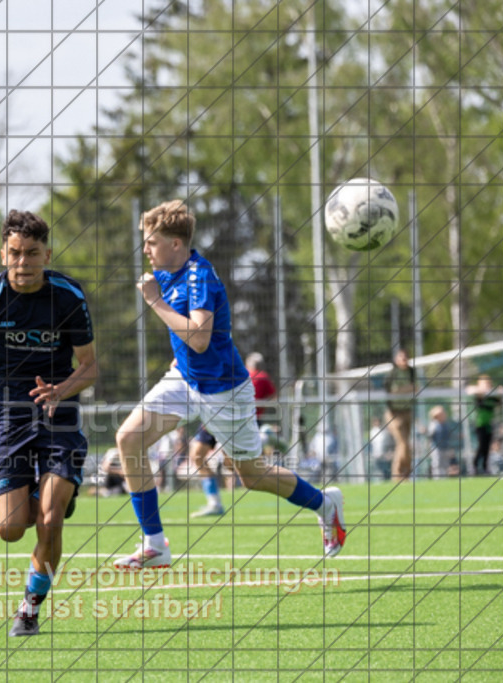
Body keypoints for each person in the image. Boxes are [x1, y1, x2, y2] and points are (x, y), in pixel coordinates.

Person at [113, 200, 345, 569]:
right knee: (128, 439)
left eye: (151, 242)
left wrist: (154, 301)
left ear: (176, 244)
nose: (145, 250)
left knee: (251, 476)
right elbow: (190, 337)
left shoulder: (198, 275)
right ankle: (155, 545)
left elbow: (199, 338)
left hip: (223, 390)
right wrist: (179, 355)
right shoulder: (168, 272)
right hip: (186, 380)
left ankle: (325, 503)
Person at [0, 209, 98, 637]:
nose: (22, 262)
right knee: (11, 528)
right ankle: (45, 491)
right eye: (15, 253)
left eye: (31, 253)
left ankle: (30, 609)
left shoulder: (68, 296)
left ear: (47, 254)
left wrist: (61, 390)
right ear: (3, 254)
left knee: (50, 520)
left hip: (59, 417)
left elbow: (90, 367)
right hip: (11, 421)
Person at [384, 348, 417, 481]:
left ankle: (405, 474)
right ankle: (397, 475)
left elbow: (416, 387)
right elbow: (393, 391)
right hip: (394, 414)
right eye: (401, 357)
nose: (404, 360)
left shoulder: (411, 372)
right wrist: (408, 389)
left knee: (405, 444)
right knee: (402, 443)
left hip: (407, 411)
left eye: (405, 357)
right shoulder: (393, 374)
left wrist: (408, 389)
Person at [187, 428, 227, 518]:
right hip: (209, 422)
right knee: (197, 456)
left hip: (221, 421)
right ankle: (214, 503)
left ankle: (215, 504)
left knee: (233, 464)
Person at [466, 375, 501, 476]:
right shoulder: (479, 396)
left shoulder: (492, 397)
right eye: (485, 383)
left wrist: (498, 391)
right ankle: (474, 465)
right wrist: (481, 389)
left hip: (489, 424)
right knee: (481, 446)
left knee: (487, 447)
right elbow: (469, 389)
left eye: (488, 383)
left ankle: (485, 467)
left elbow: (499, 400)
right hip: (479, 424)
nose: (487, 385)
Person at [425, 406, 463, 478]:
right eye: (442, 414)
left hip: (446, 448)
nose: (444, 415)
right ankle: (437, 478)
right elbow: (429, 436)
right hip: (437, 449)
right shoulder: (434, 425)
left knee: (445, 465)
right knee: (437, 464)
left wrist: (457, 436)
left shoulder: (445, 425)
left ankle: (444, 478)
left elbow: (450, 435)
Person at [245, 352, 278, 425]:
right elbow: (273, 396)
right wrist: (262, 402)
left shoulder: (242, 376)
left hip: (239, 414)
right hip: (256, 416)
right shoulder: (263, 376)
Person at [367, 417, 394, 481]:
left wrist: (389, 452)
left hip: (384, 454)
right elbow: (371, 444)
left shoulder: (384, 431)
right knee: (379, 468)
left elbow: (388, 442)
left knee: (386, 469)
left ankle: (387, 479)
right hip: (376, 454)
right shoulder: (372, 432)